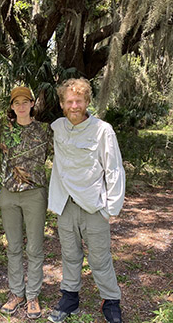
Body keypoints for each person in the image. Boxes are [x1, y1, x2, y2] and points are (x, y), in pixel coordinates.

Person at [47, 78, 125, 323]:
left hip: (93, 205)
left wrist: (112, 207)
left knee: (100, 257)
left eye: (78, 101)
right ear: (61, 104)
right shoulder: (57, 127)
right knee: (70, 255)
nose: (74, 106)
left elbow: (114, 169)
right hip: (66, 204)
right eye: (69, 101)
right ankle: (70, 298)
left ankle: (110, 300)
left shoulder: (103, 130)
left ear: (87, 102)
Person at [0, 86, 52, 319]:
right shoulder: (3, 131)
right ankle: (16, 293)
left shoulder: (45, 130)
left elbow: (67, 146)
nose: (20, 106)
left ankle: (32, 296)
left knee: (35, 248)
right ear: (12, 106)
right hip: (9, 194)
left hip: (34, 194)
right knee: (14, 246)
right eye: (16, 102)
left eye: (25, 102)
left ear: (32, 104)